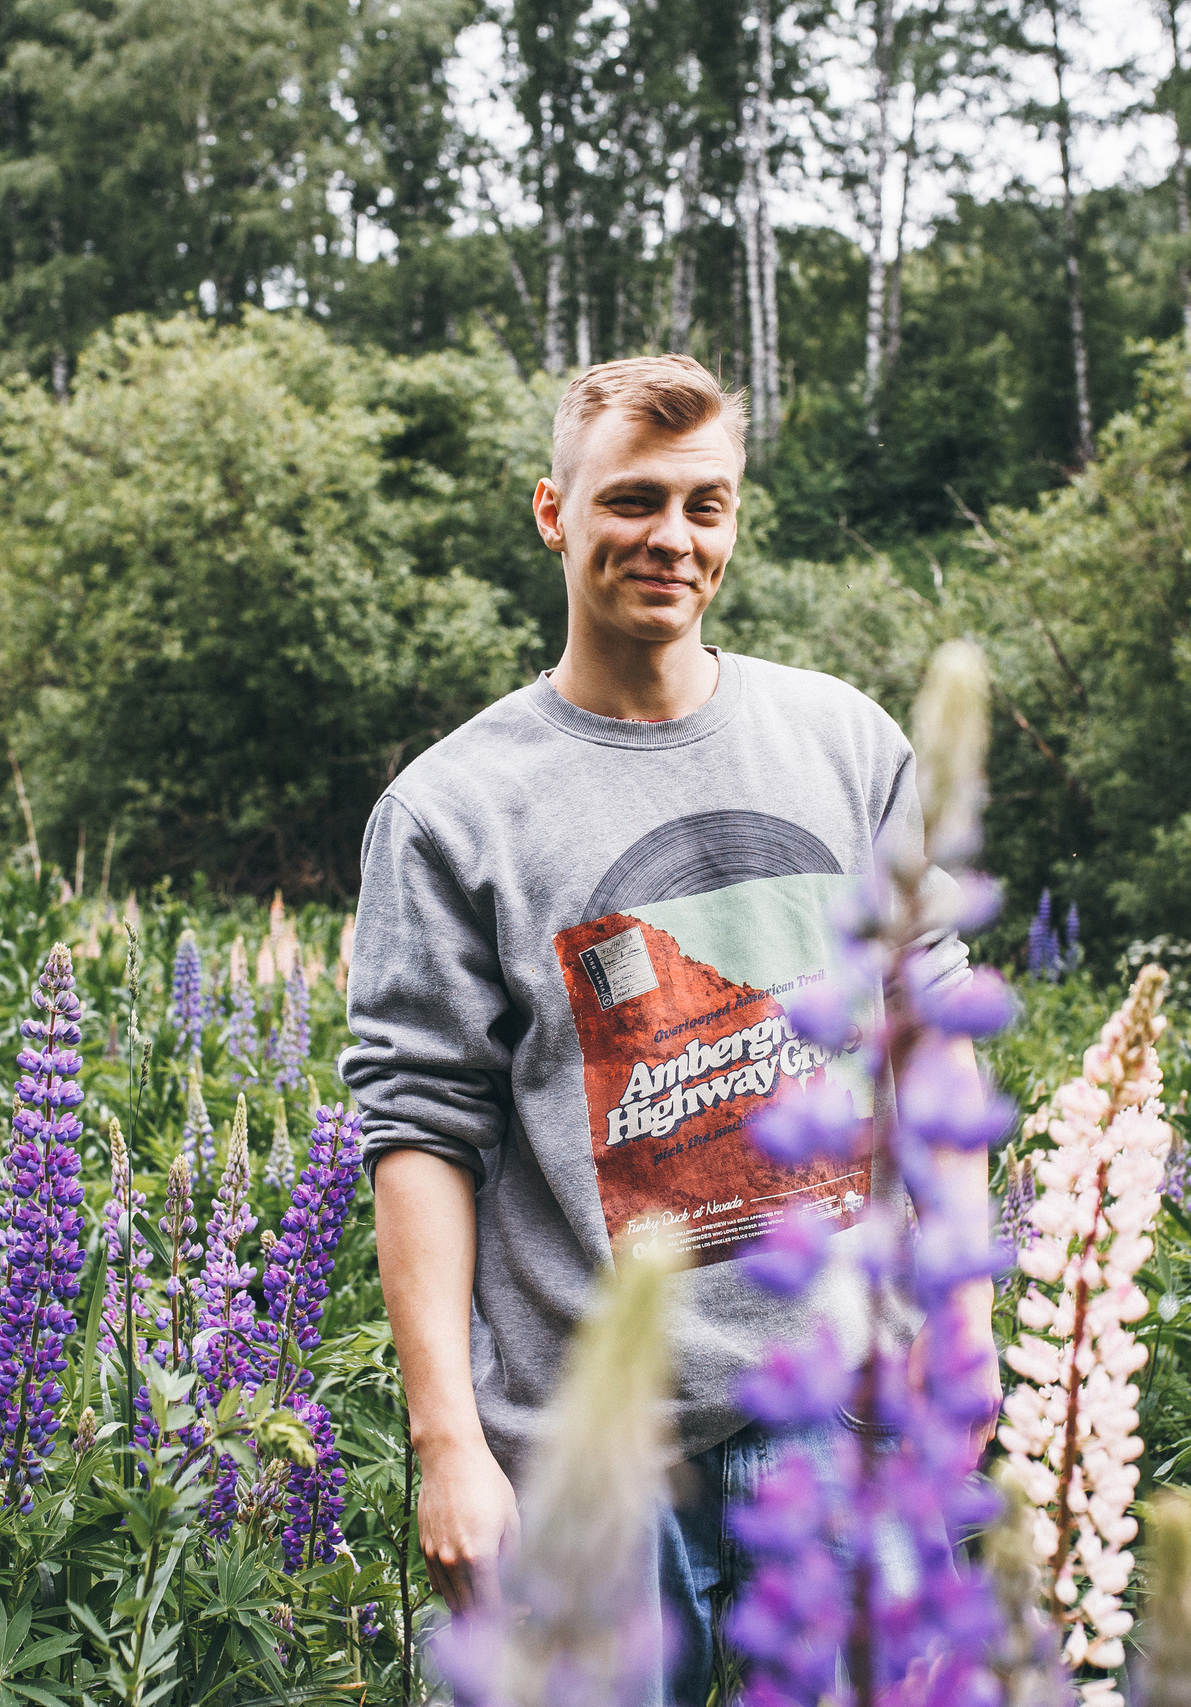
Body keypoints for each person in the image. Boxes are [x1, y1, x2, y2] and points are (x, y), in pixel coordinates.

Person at [342, 354, 990, 1706]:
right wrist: (446, 1443)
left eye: (708, 505)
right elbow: (421, 1135)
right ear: (552, 512)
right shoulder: (452, 808)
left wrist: (965, 1323)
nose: (672, 539)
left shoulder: (846, 744)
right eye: (633, 500)